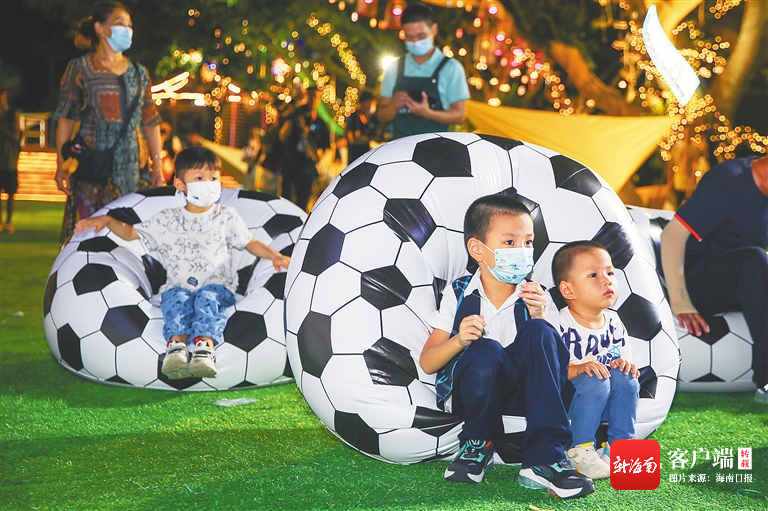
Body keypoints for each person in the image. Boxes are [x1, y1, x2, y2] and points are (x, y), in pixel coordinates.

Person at [421, 195, 594, 499]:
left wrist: (540, 315)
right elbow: (427, 362)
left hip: (527, 397)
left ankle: (545, 458)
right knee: (486, 350)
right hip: (476, 393)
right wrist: (459, 340)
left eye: (528, 242)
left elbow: (555, 367)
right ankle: (477, 444)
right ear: (477, 249)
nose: (522, 251)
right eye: (510, 242)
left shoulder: (538, 296)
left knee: (540, 330)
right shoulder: (459, 293)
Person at [74, 146, 291, 379]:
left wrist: (274, 256)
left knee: (207, 300)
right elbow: (130, 233)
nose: (208, 184)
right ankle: (176, 348)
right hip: (179, 286)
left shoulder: (226, 216)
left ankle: (204, 349)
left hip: (218, 288)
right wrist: (107, 220)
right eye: (199, 178)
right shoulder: (168, 219)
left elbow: (250, 242)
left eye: (213, 178)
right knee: (176, 301)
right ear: (180, 184)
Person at [661, 154, 768, 404]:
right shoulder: (729, 179)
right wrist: (681, 302)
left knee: (754, 262)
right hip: (698, 282)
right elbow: (672, 235)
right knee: (754, 259)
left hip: (742, 284)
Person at [55, 1, 164, 243]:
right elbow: (66, 118)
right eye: (120, 23)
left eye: (129, 24)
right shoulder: (80, 68)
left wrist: (157, 165)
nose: (127, 29)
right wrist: (61, 164)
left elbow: (150, 121)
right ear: (101, 28)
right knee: (88, 237)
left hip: (131, 169)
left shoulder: (139, 72)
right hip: (91, 165)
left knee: (129, 237)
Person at [551, 241, 640, 480]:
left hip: (605, 402)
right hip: (569, 402)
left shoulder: (614, 322)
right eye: (593, 275)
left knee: (627, 377)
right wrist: (580, 368)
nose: (607, 280)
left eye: (610, 273)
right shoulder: (558, 323)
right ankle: (580, 450)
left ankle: (620, 447)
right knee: (594, 378)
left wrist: (624, 365)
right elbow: (550, 372)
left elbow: (623, 361)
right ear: (568, 290)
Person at [377, 2, 470, 139]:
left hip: (436, 146)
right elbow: (382, 116)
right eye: (410, 37)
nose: (415, 41)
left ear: (434, 29)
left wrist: (428, 113)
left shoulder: (451, 68)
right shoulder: (394, 68)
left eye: (421, 36)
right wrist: (393, 106)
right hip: (400, 145)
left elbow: (460, 115)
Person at [278, 86, 330, 211]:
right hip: (290, 165)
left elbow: (327, 146)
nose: (313, 99)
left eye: (316, 97)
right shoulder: (294, 115)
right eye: (310, 96)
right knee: (285, 201)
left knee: (302, 204)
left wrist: (318, 156)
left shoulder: (321, 123)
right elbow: (282, 136)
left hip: (307, 169)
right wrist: (292, 119)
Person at [0, 90, 19, 233]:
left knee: (10, 192)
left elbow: (16, 136)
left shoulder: (12, 115)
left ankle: (9, 222)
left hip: (9, 158)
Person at [346, 90, 378, 163]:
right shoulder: (355, 117)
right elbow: (353, 139)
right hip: (355, 158)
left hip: (364, 157)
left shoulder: (368, 118)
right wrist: (371, 140)